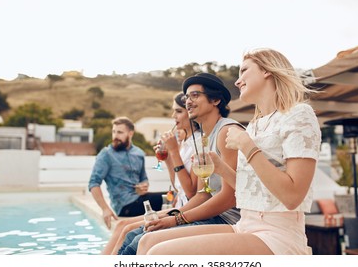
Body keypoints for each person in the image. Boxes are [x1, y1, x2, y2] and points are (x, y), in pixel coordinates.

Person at [137, 48, 321, 255]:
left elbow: (292, 196)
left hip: (277, 234)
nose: (237, 81)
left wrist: (247, 146)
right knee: (148, 242)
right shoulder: (256, 125)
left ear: (267, 70)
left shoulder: (299, 114)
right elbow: (249, 189)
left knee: (158, 254)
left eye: (244, 71)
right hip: (245, 225)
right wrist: (221, 168)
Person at [117, 73, 245, 255]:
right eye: (187, 97)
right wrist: (170, 215)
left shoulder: (226, 131)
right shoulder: (204, 140)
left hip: (228, 219)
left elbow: (229, 197)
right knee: (133, 235)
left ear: (215, 99)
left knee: (140, 241)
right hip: (210, 213)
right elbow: (203, 195)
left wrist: (177, 219)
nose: (188, 102)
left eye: (195, 95)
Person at [101, 92, 200, 254]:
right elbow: (178, 187)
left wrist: (173, 151)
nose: (173, 115)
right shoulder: (184, 143)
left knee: (127, 230)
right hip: (179, 205)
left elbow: (190, 192)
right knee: (121, 225)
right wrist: (168, 158)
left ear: (191, 112)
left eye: (179, 111)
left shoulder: (196, 144)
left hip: (186, 210)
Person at [88, 116, 164, 229]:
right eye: (114, 132)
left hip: (141, 200)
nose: (115, 136)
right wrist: (105, 209)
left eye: (120, 132)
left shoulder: (139, 153)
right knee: (169, 198)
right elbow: (93, 183)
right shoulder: (106, 154)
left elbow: (144, 178)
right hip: (125, 206)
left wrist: (143, 186)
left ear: (130, 133)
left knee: (170, 197)